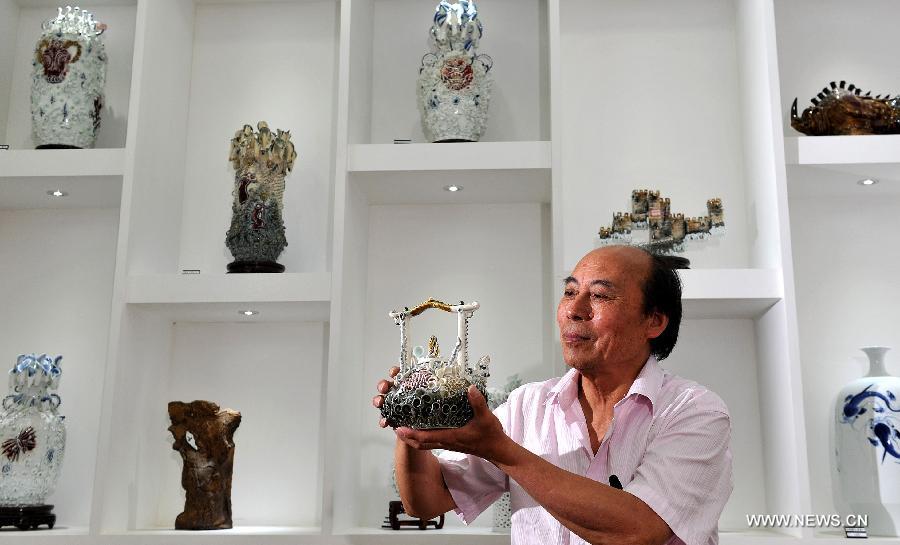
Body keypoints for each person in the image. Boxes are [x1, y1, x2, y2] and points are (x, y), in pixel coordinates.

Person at [373, 245, 733, 545]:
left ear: (653, 321)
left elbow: (638, 528)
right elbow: (426, 500)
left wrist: (501, 450)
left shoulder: (695, 412)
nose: (574, 311)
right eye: (570, 292)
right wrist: (410, 425)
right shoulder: (528, 406)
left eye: (600, 296)